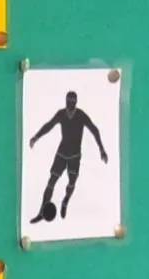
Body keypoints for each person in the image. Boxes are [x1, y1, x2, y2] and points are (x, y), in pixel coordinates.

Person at [29, 90, 111, 222]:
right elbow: (49, 125)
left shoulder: (81, 115)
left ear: (76, 102)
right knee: (51, 181)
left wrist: (101, 150)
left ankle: (65, 200)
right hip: (61, 153)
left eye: (72, 101)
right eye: (68, 101)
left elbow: (94, 130)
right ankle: (41, 212)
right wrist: (36, 137)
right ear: (65, 101)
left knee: (72, 182)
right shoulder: (61, 114)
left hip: (75, 155)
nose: (69, 104)